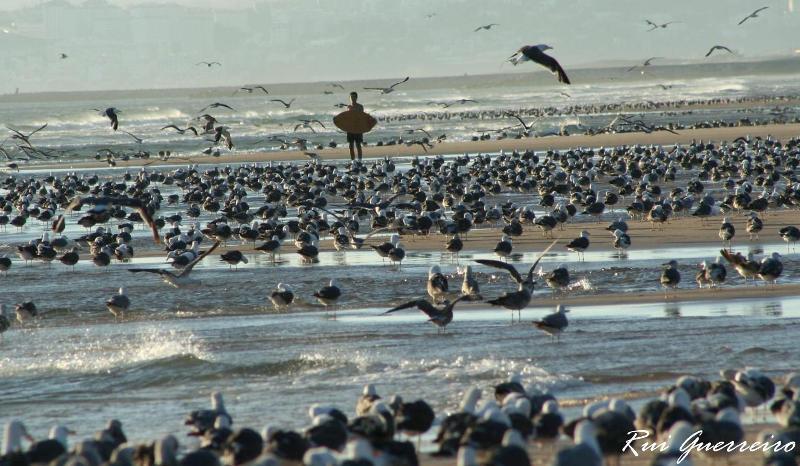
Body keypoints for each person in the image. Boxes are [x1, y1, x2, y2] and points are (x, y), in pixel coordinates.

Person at [347, 92, 364, 162]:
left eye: (354, 97)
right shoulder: (348, 107)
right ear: (349, 98)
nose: (352, 98)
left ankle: (359, 160)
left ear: (356, 98)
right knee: (350, 145)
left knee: (358, 145)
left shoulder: (360, 107)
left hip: (358, 128)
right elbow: (346, 118)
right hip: (350, 128)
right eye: (351, 97)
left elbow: (362, 117)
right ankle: (353, 160)